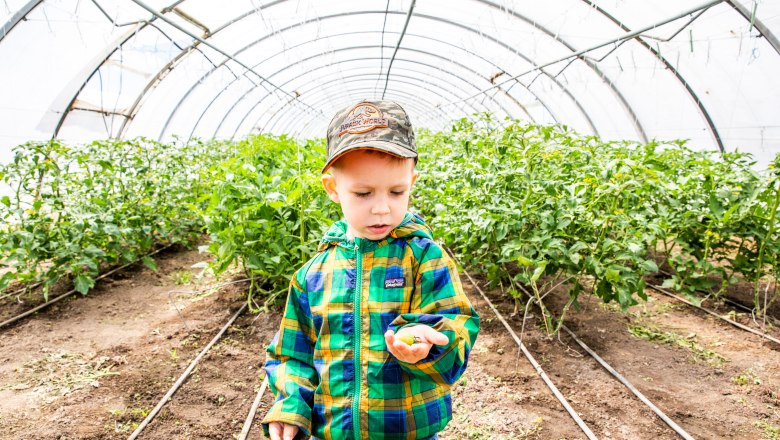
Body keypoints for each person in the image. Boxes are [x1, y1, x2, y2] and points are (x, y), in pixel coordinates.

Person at [261, 99, 480, 440]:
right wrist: (292, 406)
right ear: (333, 188)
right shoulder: (312, 275)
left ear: (412, 182)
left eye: (396, 192)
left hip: (408, 432)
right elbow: (292, 354)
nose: (381, 208)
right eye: (363, 193)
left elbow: (457, 325)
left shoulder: (424, 258)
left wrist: (434, 343)